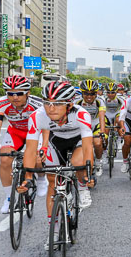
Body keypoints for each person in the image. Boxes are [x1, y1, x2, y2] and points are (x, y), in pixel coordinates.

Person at [22, 82, 95, 240]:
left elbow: (88, 147)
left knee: (77, 163)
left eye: (57, 104)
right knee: (52, 181)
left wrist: (89, 174)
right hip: (56, 142)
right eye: (47, 103)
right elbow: (30, 149)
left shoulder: (81, 114)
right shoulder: (37, 116)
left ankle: (82, 188)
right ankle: (54, 229)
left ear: (69, 105)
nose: (51, 108)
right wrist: (28, 178)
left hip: (77, 141)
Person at [0, 76, 47, 213]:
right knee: (5, 160)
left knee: (37, 158)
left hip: (35, 132)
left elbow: (46, 128)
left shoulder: (38, 104)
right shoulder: (1, 103)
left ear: (27, 93)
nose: (15, 97)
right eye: (10, 94)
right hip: (15, 132)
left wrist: (44, 147)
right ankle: (9, 197)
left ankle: (41, 178)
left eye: (19, 93)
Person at [75, 80, 106, 177]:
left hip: (95, 123)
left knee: (97, 143)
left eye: (92, 94)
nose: (89, 96)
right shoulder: (77, 101)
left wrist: (102, 131)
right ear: (82, 93)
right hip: (82, 125)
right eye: (86, 93)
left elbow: (102, 117)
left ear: (96, 93)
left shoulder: (100, 101)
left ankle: (98, 162)